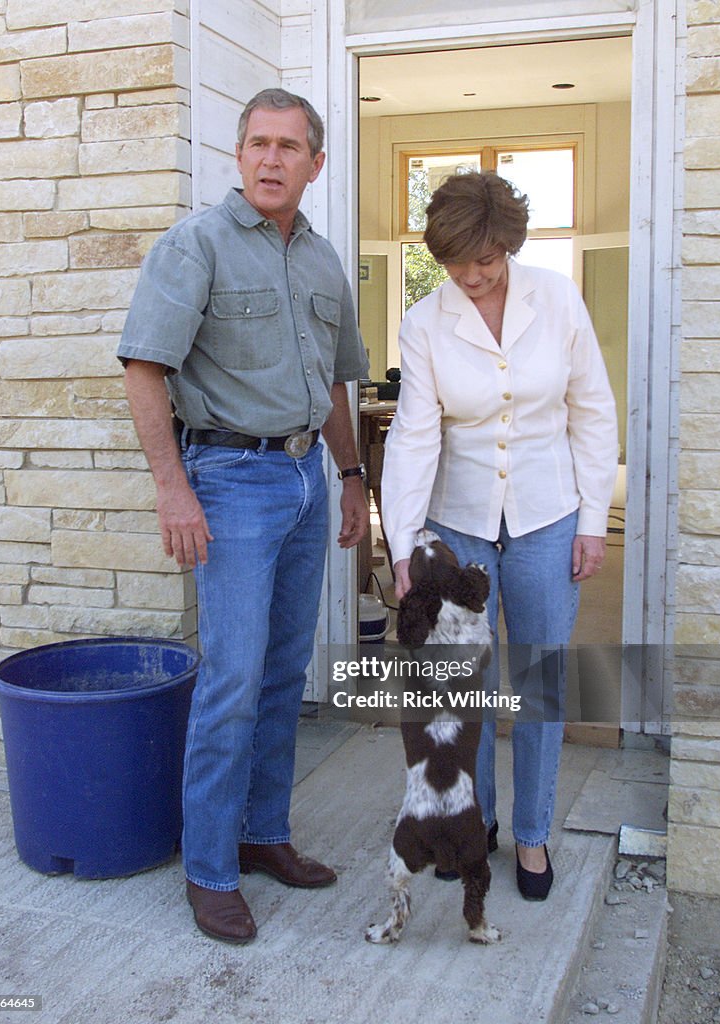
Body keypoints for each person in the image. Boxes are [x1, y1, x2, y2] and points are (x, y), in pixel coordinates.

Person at [118, 88, 370, 942]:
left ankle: (265, 836)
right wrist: (171, 485)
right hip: (228, 479)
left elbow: (337, 381)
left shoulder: (324, 258)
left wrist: (353, 477)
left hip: (306, 483)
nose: (271, 159)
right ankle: (210, 869)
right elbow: (145, 366)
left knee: (280, 674)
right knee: (230, 679)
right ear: (239, 154)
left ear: (315, 163)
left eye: (288, 147)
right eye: (257, 143)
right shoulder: (196, 245)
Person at [382, 171, 618, 901]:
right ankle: (471, 824)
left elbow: (592, 411)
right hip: (463, 523)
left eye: (485, 260)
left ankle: (534, 832)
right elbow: (415, 438)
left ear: (509, 244)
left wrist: (590, 522)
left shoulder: (558, 299)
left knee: (542, 682)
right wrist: (403, 547)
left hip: (549, 518)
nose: (473, 276)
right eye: (458, 264)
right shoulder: (424, 324)